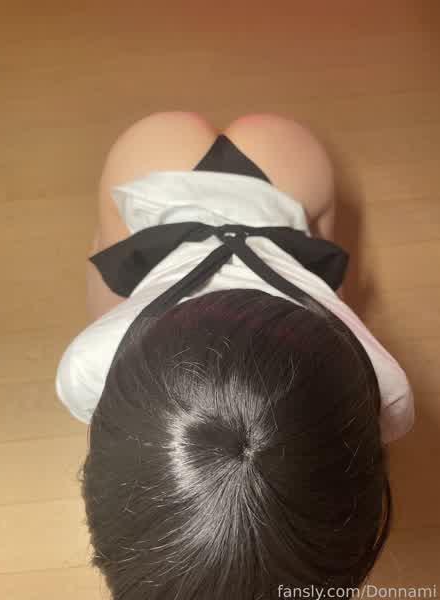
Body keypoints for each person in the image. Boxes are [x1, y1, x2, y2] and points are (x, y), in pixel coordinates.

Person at [55, 112, 414, 599]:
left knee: (321, 259)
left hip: (273, 183)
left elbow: (332, 292)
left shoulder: (385, 384)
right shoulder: (90, 363)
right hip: (173, 179)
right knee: (112, 259)